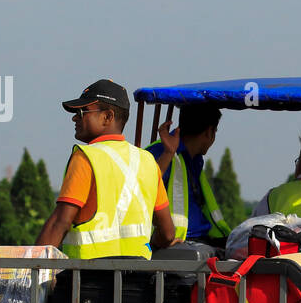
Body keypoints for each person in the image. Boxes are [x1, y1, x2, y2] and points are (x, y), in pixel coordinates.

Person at [36, 79, 176, 258]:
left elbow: (60, 222)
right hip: (137, 281)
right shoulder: (148, 160)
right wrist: (150, 246)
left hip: (88, 280)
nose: (74, 118)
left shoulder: (86, 157)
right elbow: (168, 234)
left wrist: (32, 270)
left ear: (107, 117)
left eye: (81, 112)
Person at [145, 105, 231, 247]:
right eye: (214, 131)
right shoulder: (160, 152)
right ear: (210, 132)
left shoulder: (195, 160)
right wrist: (168, 153)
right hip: (174, 243)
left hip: (200, 239)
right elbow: (144, 190)